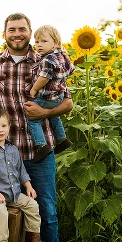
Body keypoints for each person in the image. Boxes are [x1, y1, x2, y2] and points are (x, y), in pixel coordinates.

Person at [0, 13, 73, 242]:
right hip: (6, 156)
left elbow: (67, 102)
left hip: (39, 150)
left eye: (22, 29)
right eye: (12, 29)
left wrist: (45, 112)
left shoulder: (46, 58)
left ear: (30, 32)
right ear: (4, 33)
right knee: (13, 212)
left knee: (46, 211)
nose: (17, 33)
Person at [0, 108, 53, 242]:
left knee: (32, 205)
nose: (0, 130)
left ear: (9, 127)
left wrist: (29, 186)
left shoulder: (13, 149)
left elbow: (21, 171)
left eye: (3, 126)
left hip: (14, 193)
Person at [28, 25, 75, 162]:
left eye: (44, 41)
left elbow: (44, 77)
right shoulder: (64, 57)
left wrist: (34, 89)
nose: (39, 45)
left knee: (32, 119)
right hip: (59, 96)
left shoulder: (48, 60)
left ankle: (41, 146)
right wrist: (61, 79)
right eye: (37, 42)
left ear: (55, 42)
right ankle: (62, 139)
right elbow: (71, 70)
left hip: (46, 96)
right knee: (55, 116)